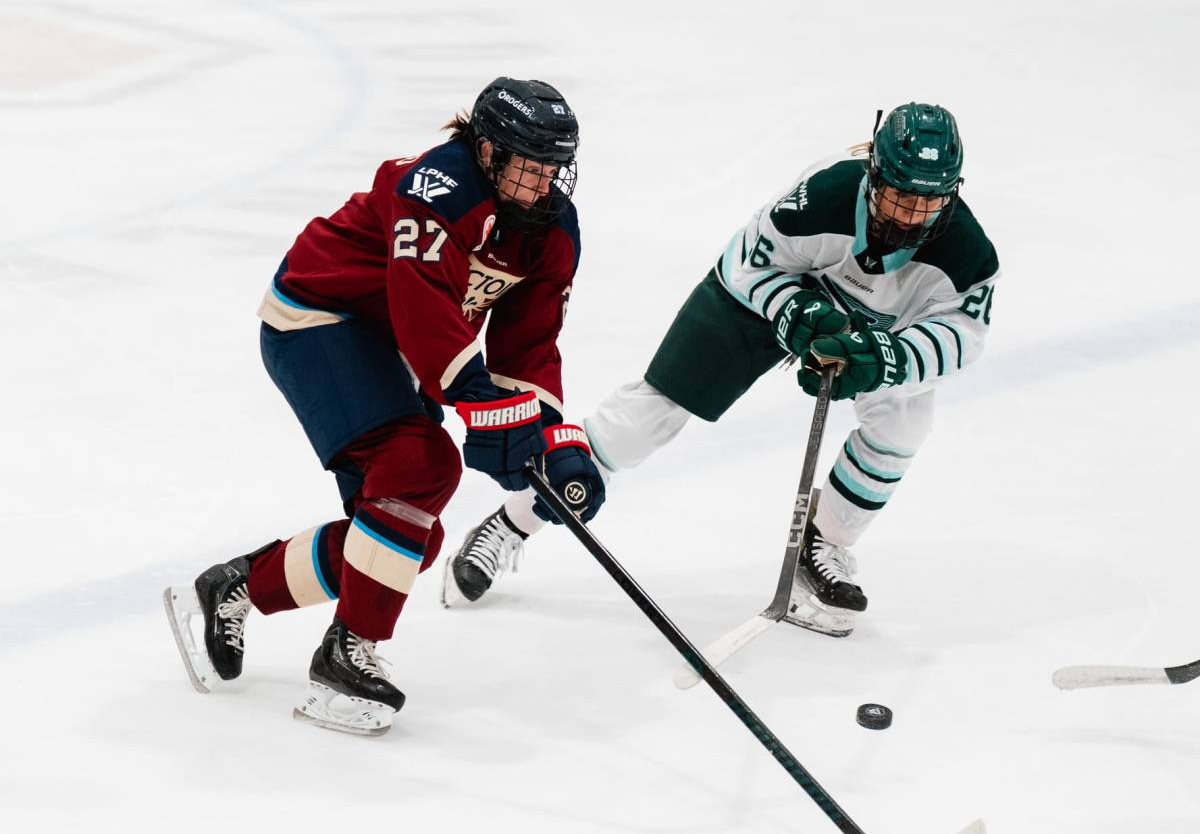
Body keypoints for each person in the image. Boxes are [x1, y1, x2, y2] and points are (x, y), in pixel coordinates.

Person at [444, 102, 998, 638]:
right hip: (767, 303)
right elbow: (745, 264)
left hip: (876, 334)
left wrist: (886, 359)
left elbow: (962, 336)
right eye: (899, 197)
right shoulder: (824, 196)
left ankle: (823, 545)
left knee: (903, 425)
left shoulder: (968, 253)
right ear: (874, 176)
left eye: (927, 203)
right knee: (644, 420)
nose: (910, 216)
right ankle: (510, 522)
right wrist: (791, 308)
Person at [163, 76, 606, 737]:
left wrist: (554, 436)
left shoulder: (549, 230)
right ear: (486, 150)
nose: (542, 185)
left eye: (552, 170)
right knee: (421, 468)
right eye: (529, 168)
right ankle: (346, 654)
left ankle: (236, 586)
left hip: (394, 348)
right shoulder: (439, 187)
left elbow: (530, 344)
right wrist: (481, 404)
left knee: (403, 542)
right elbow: (424, 307)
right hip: (320, 318)